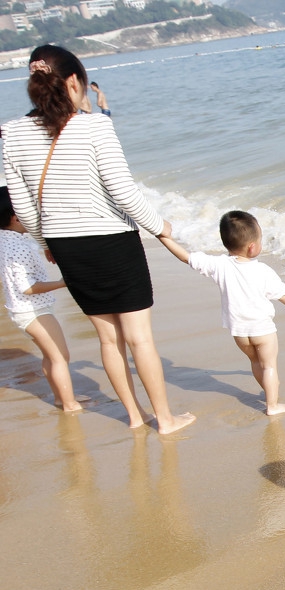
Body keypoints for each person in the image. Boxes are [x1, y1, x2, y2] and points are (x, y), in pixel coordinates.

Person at [2, 45, 194, 434]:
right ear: (74, 81)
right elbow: (122, 190)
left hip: (67, 247)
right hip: (111, 240)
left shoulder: (13, 131)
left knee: (108, 339)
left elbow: (21, 201)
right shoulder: (95, 125)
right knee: (139, 338)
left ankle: (136, 417)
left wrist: (46, 241)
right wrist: (159, 225)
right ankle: (166, 419)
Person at [157, 212, 285, 416]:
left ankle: (269, 392)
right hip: (262, 329)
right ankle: (272, 404)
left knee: (256, 363)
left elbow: (185, 257)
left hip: (239, 332)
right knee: (269, 366)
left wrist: (164, 237)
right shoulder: (263, 271)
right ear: (252, 247)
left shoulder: (219, 265)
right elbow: (283, 294)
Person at [0, 186, 83, 413]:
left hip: (24, 310)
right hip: (33, 310)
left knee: (51, 355)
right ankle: (69, 404)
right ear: (17, 218)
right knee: (60, 356)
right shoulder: (18, 246)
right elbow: (27, 288)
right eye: (30, 212)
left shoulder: (7, 238)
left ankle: (60, 398)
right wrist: (64, 282)